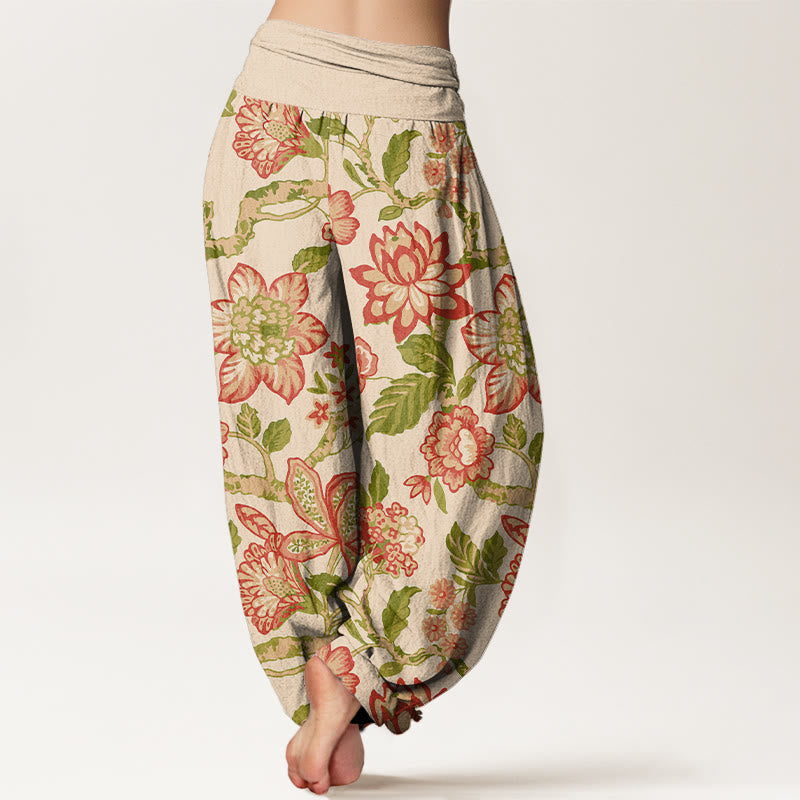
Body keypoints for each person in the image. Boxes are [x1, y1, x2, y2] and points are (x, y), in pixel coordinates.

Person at [201, 0, 544, 793]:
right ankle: (341, 676)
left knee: (312, 431)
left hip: (295, 115)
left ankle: (341, 678)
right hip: (317, 113)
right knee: (306, 427)